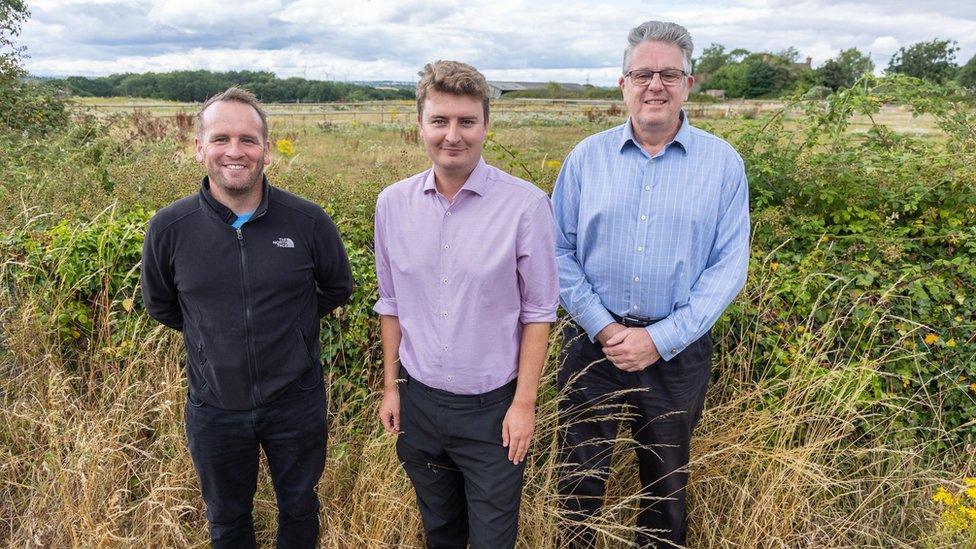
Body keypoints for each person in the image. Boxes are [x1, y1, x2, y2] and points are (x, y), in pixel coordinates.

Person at [552, 20, 751, 548]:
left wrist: (658, 340)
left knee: (665, 486)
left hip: (676, 352)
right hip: (591, 348)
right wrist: (602, 327)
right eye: (642, 73)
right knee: (578, 481)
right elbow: (556, 251)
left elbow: (729, 266)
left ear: (690, 83)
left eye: (669, 73)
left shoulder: (723, 164)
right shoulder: (585, 159)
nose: (654, 85)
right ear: (623, 83)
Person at [141, 87, 353, 548]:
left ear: (267, 151)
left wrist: (289, 326)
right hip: (214, 408)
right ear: (199, 148)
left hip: (295, 403)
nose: (234, 152)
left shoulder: (308, 221)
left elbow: (337, 288)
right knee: (227, 518)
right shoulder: (169, 228)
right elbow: (161, 304)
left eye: (248, 140)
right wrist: (216, 332)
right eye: (220, 139)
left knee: (299, 508)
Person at [373, 60, 558, 549]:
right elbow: (390, 303)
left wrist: (523, 405)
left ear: (485, 126)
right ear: (420, 125)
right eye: (439, 121)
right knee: (440, 533)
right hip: (418, 405)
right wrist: (392, 388)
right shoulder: (392, 204)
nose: (452, 135)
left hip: (493, 413)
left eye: (466, 121)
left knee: (494, 538)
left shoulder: (526, 205)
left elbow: (538, 314)